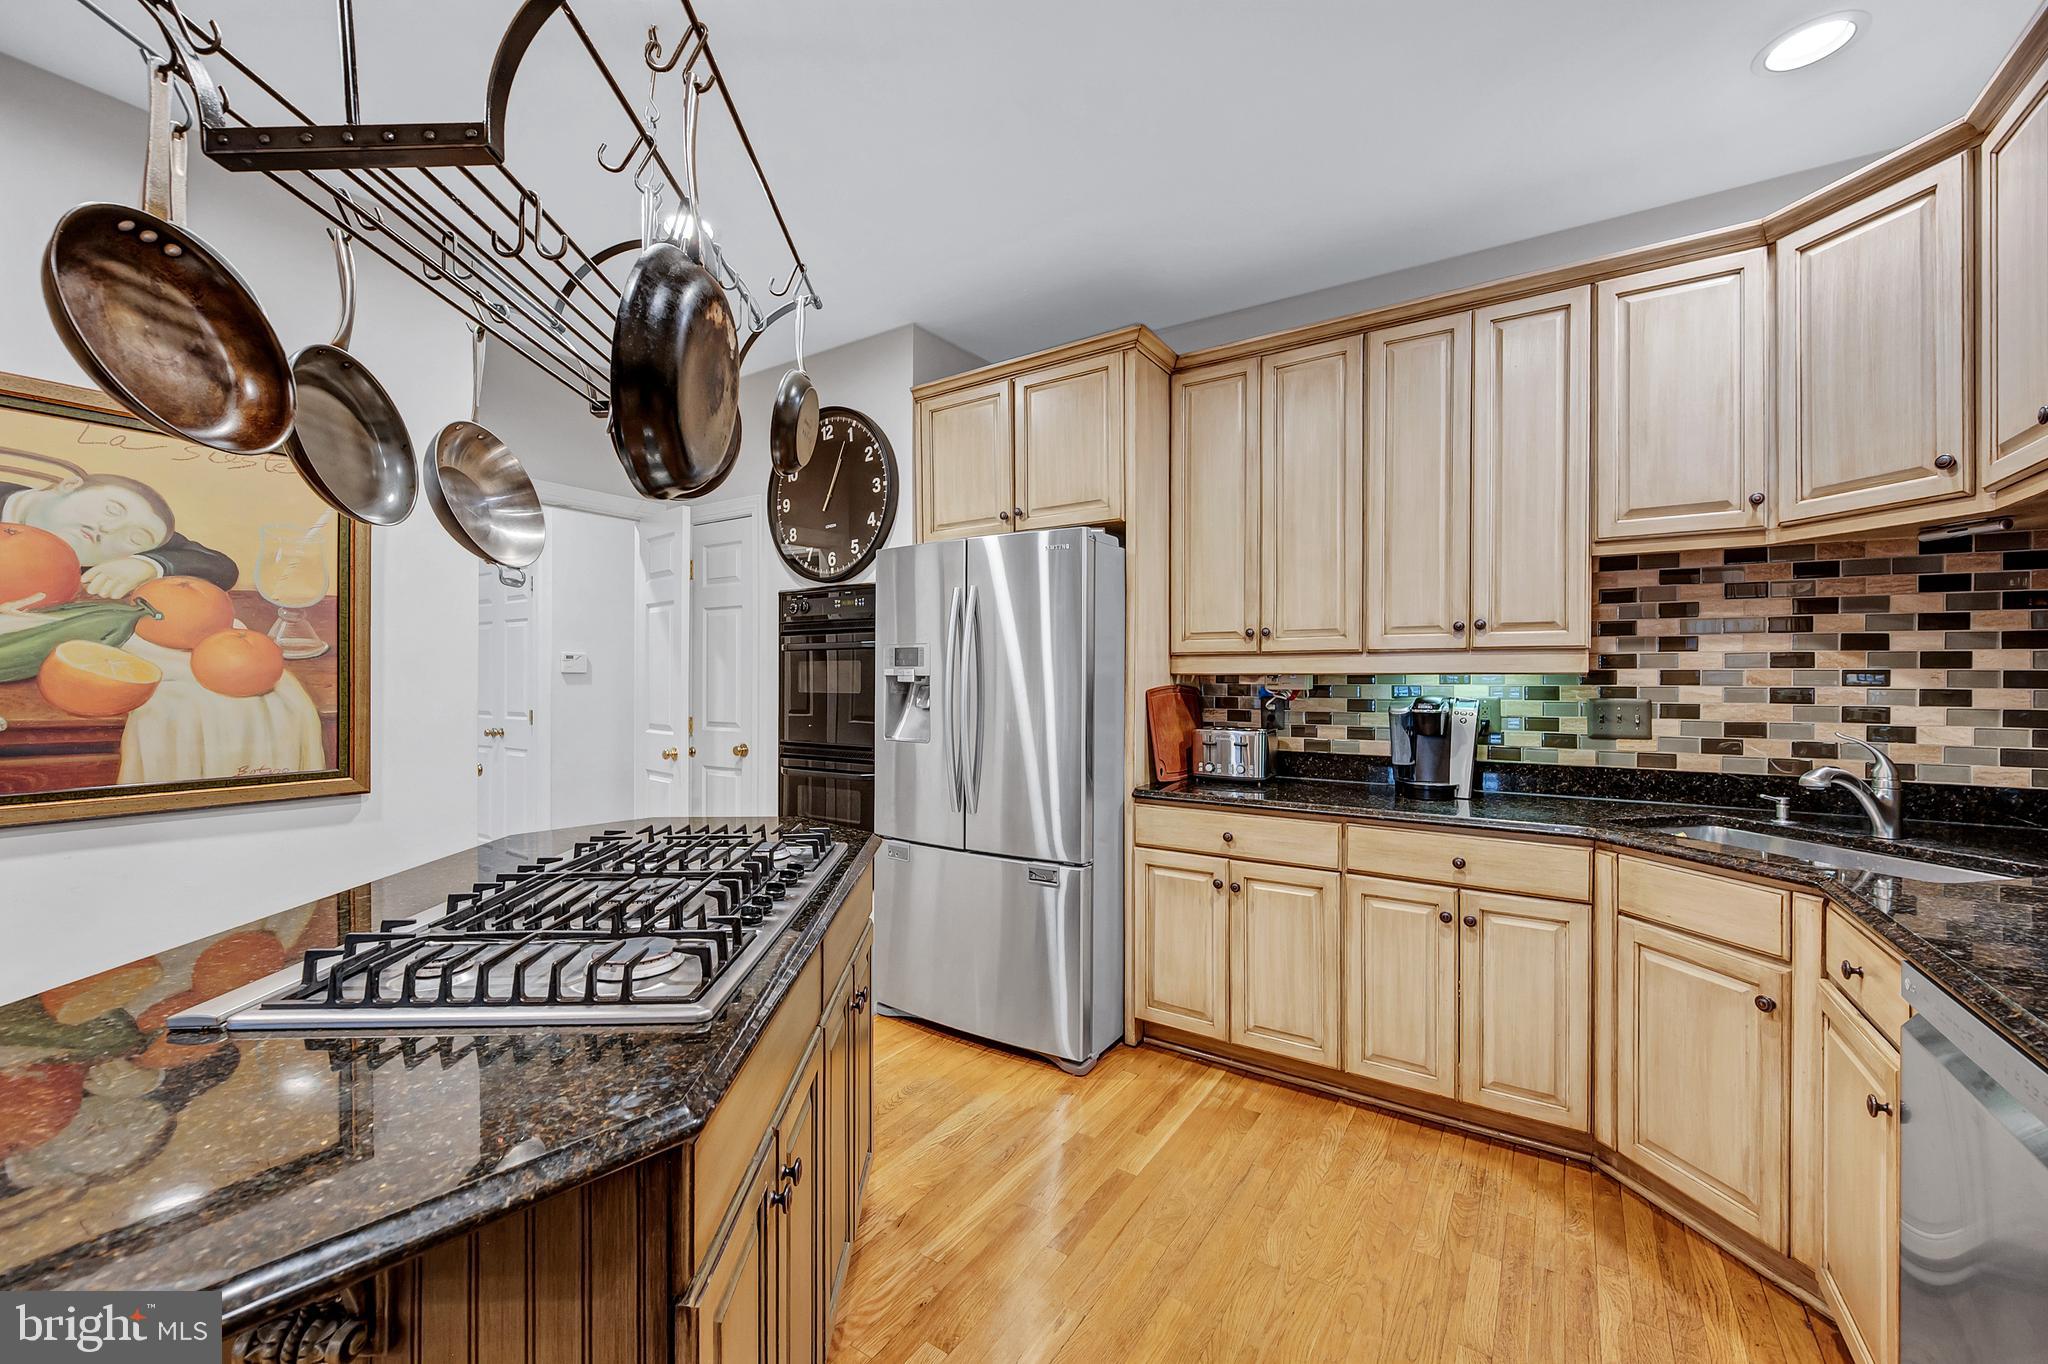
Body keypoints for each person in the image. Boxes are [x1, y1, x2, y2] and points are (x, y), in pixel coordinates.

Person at [0, 474, 235, 599]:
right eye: (111, 510)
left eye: (135, 538)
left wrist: (148, 565)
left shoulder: (118, 550)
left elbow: (221, 567)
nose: (109, 529)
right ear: (70, 485)